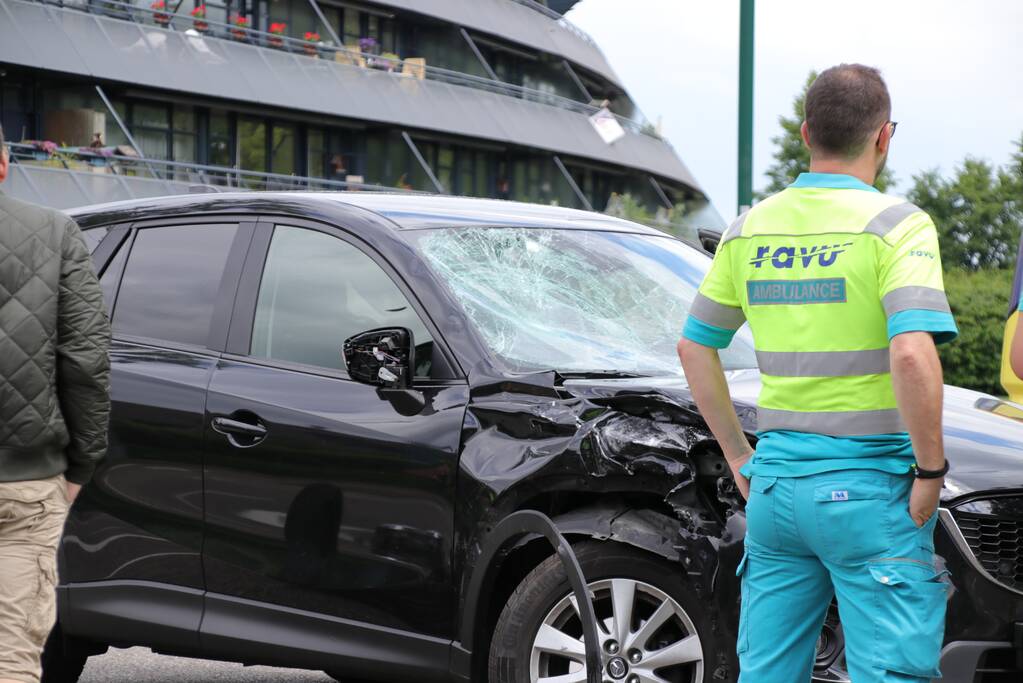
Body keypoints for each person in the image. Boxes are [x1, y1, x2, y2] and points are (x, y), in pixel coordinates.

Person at [678, 64, 956, 683]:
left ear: (806, 133)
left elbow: (696, 346)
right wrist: (932, 472)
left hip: (776, 490)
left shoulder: (750, 227)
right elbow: (912, 353)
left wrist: (737, 455)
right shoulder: (897, 225)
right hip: (872, 491)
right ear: (885, 137)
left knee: (768, 673)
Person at [0, 123, 111, 683]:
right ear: (2, 163)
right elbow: (86, 362)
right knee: (13, 655)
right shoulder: (55, 232)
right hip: (24, 482)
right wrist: (82, 464)